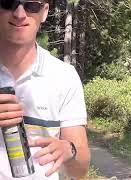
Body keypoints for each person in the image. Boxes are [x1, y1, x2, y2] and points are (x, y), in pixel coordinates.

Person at [0, 0, 90, 179]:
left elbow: (80, 171)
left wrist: (69, 150)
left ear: (45, 12)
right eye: (8, 2)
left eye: (31, 6)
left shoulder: (64, 76)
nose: (19, 14)